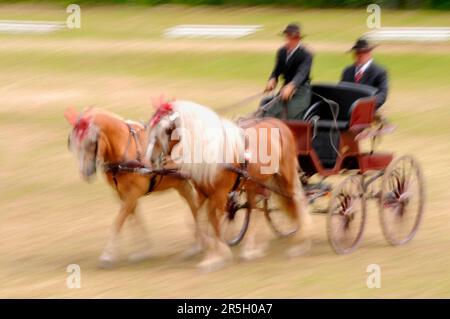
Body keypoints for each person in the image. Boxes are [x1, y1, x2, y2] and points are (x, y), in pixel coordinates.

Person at [260, 23, 313, 119]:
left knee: (286, 115)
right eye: (287, 37)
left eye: (291, 38)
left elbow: (302, 73)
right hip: (284, 90)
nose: (288, 40)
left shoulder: (306, 54)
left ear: (297, 39)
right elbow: (277, 69)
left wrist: (292, 85)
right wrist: (272, 79)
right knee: (267, 111)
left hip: (301, 92)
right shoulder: (282, 52)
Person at [341, 38, 388, 109]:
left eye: (362, 53)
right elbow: (342, 90)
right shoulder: (348, 71)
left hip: (370, 110)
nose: (358, 56)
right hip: (348, 109)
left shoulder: (379, 71)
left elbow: (382, 95)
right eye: (357, 53)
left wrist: (366, 105)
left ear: (369, 54)